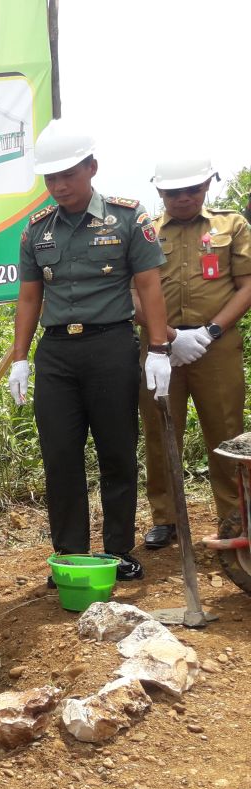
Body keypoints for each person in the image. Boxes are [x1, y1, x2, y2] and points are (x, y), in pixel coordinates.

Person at [6, 120, 171, 582]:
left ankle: (118, 550)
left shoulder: (128, 217)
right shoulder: (35, 231)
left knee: (117, 452)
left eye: (68, 176)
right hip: (57, 355)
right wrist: (20, 357)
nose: (59, 186)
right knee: (60, 456)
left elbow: (148, 286)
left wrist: (158, 348)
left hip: (110, 347)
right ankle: (72, 554)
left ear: (92, 168)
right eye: (51, 178)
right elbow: (29, 297)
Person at [137, 159, 251, 549]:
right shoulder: (145, 232)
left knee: (226, 431)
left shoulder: (231, 225)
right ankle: (165, 518)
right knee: (161, 430)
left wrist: (211, 330)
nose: (183, 198)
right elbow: (131, 292)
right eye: (173, 192)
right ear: (159, 193)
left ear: (207, 186)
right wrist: (167, 336)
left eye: (192, 190)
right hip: (158, 348)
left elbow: (247, 285)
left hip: (216, 347)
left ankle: (235, 518)